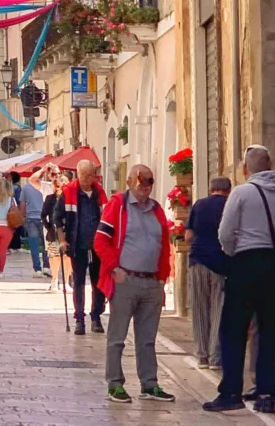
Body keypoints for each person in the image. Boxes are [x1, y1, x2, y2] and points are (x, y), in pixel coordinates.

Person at [203, 145, 275, 415]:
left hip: (246, 264)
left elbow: (225, 232)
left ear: (246, 168)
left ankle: (231, 392)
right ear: (270, 166)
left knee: (233, 330)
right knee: (269, 329)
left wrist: (235, 253)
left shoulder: (242, 193)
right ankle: (267, 394)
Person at [94, 164, 173, 404]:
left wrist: (162, 279)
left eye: (149, 181)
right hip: (125, 280)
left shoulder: (157, 209)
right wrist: (115, 270)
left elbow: (164, 246)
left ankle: (149, 384)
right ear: (129, 181)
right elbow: (100, 241)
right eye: (141, 180)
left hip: (151, 282)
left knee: (147, 338)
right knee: (117, 336)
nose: (145, 186)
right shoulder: (118, 205)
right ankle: (115, 384)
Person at [55, 158, 108, 335]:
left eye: (90, 175)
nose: (87, 179)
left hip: (98, 246)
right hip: (77, 244)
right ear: (78, 174)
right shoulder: (68, 192)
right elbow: (57, 218)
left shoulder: (100, 194)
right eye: (84, 175)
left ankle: (96, 317)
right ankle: (79, 319)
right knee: (78, 282)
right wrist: (62, 240)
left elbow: (108, 218)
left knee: (98, 283)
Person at [185, 176, 232, 369]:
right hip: (220, 263)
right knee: (218, 310)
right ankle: (215, 357)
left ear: (211, 188)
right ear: (228, 190)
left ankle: (202, 356)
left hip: (197, 261)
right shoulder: (230, 205)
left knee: (199, 309)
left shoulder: (199, 205)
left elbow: (188, 235)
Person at [20, 165, 53, 277]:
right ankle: (46, 266)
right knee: (46, 243)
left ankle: (37, 269)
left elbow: (23, 204)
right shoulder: (47, 186)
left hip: (31, 217)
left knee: (34, 243)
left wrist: (22, 216)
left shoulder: (26, 187)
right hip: (45, 218)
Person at [42, 174, 72, 292]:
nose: (56, 187)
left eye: (59, 185)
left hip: (68, 232)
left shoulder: (70, 199)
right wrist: (48, 227)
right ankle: (54, 280)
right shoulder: (50, 198)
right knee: (54, 257)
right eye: (55, 185)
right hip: (53, 233)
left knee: (67, 258)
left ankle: (66, 282)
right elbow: (43, 215)